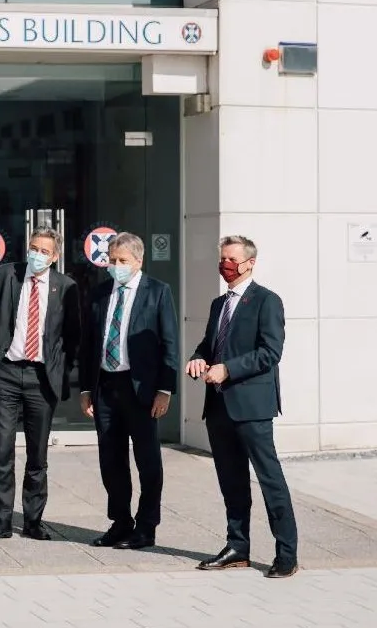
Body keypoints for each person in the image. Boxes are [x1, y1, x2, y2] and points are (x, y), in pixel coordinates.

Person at [186, 235, 298, 579]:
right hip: (218, 407)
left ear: (249, 263)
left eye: (231, 259)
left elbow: (270, 352)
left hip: (252, 406)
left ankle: (286, 553)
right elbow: (209, 344)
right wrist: (198, 359)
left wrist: (228, 369)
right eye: (222, 258)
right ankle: (238, 547)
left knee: (269, 480)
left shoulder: (267, 301)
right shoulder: (219, 304)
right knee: (231, 482)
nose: (225, 264)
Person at [0, 228, 81, 542]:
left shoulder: (66, 287)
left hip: (41, 378)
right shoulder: (5, 275)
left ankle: (32, 520)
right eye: (33, 248)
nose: (37, 254)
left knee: (37, 454)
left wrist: (62, 367)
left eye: (45, 250)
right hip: (3, 373)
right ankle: (1, 521)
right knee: (2, 448)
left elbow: (73, 336)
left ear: (55, 256)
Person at [79, 233, 179, 551]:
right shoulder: (98, 294)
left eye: (122, 260)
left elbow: (170, 343)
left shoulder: (158, 292)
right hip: (106, 387)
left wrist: (165, 390)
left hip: (141, 390)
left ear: (138, 261)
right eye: (112, 260)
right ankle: (120, 522)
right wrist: (85, 388)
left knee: (147, 460)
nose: (116, 266)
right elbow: (88, 345)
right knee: (111, 459)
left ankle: (146, 526)